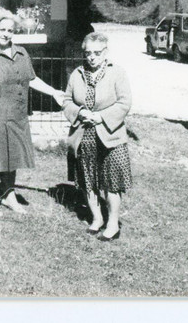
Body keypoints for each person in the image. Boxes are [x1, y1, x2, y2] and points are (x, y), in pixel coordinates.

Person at [0, 8, 65, 216]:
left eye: (10, 30)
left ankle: (8, 194)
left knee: (12, 156)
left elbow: (32, 79)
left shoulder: (21, 53)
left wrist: (54, 92)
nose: (6, 34)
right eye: (2, 29)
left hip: (16, 114)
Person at [61, 32, 133, 241]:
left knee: (112, 182)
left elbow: (124, 103)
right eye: (88, 53)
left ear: (105, 52)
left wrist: (101, 117)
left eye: (97, 53)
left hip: (110, 135)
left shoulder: (117, 73)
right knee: (87, 179)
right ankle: (97, 218)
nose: (91, 57)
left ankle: (112, 224)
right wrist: (80, 112)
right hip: (84, 134)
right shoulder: (77, 74)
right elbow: (66, 101)